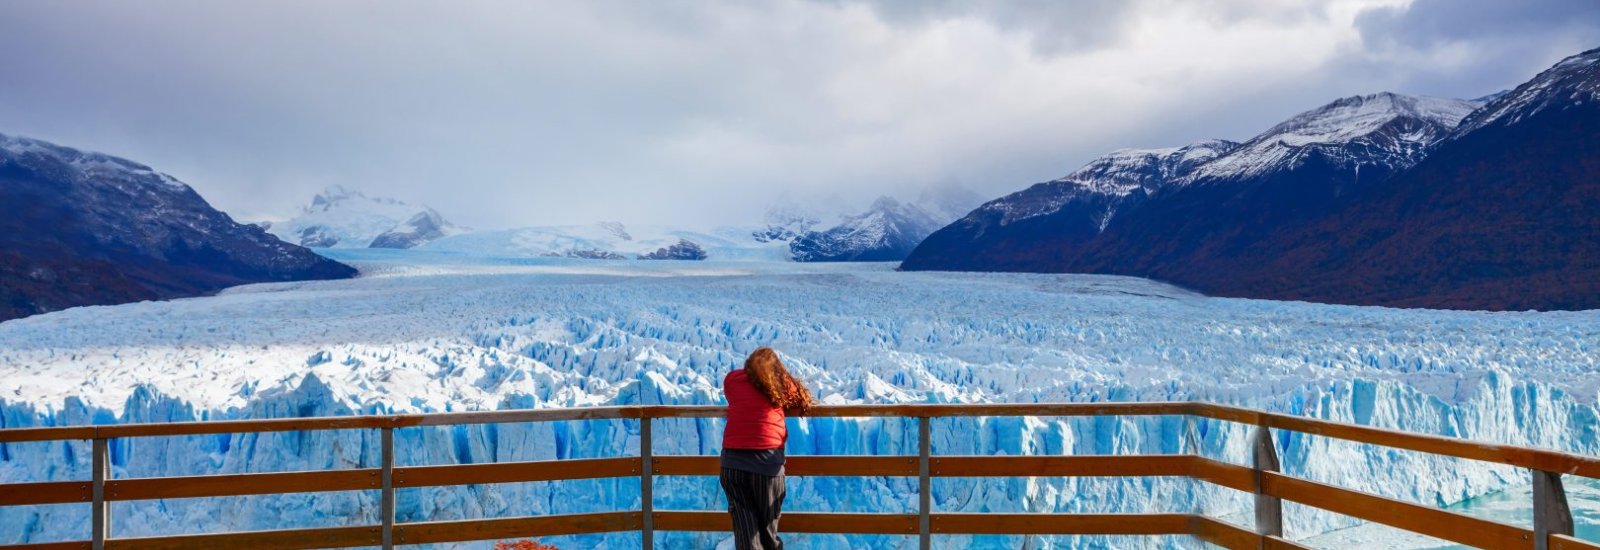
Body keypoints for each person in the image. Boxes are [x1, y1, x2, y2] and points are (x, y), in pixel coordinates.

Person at [720, 347, 816, 550]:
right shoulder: (780, 385)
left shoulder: (734, 380)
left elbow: (729, 391)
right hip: (767, 468)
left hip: (732, 465)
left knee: (746, 532)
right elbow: (798, 397)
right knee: (768, 533)